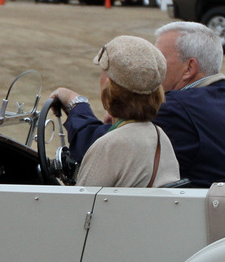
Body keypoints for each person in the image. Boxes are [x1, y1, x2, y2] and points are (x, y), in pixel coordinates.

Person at [53, 21, 225, 188]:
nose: (152, 66)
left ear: (189, 68)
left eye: (159, 59)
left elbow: (96, 147)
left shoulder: (177, 108)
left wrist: (75, 103)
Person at [71, 36, 180, 188]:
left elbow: (80, 205)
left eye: (103, 72)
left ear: (110, 84)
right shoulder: (160, 136)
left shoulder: (109, 145)